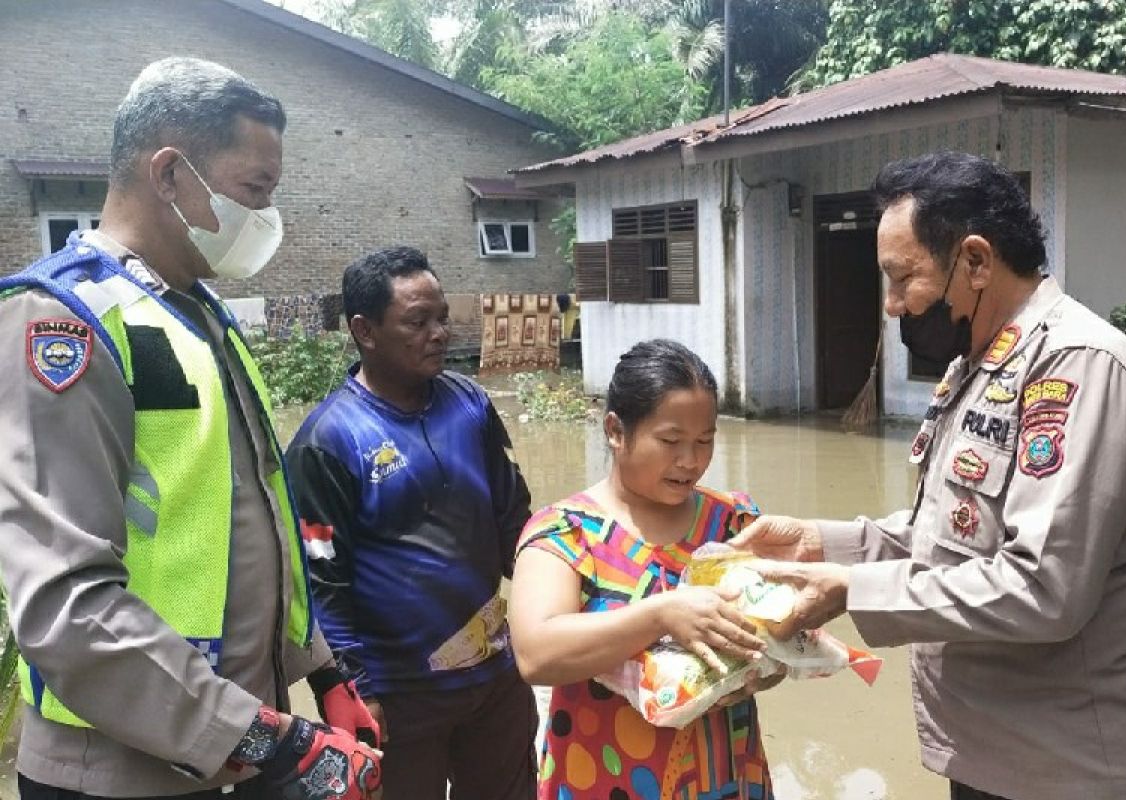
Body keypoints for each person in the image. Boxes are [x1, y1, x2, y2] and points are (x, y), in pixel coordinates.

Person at [732, 152, 1126, 800]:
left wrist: (850, 590)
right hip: (993, 756)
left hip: (1078, 770)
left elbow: (1043, 587)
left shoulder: (1079, 367)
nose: (890, 306)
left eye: (902, 279)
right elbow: (946, 535)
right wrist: (817, 542)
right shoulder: (973, 369)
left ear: (975, 261)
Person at [0, 58, 383, 800]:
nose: (267, 218)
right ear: (171, 174)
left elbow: (254, 527)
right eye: (254, 192)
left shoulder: (198, 314)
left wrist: (323, 671)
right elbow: (65, 605)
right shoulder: (66, 324)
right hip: (117, 772)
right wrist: (269, 740)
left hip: (226, 744)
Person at [285, 246, 537, 800]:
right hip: (398, 697)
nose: (439, 333)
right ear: (365, 331)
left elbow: (515, 521)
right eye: (417, 322)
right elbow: (320, 585)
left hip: (495, 678)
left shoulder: (469, 404)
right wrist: (356, 692)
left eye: (442, 317)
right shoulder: (328, 441)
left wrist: (567, 596)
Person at [508, 339, 778, 800]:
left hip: (724, 775)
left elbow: (772, 639)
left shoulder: (733, 523)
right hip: (605, 774)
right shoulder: (567, 533)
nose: (690, 461)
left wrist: (765, 668)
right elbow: (536, 653)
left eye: (704, 441)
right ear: (616, 430)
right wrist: (660, 615)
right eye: (671, 441)